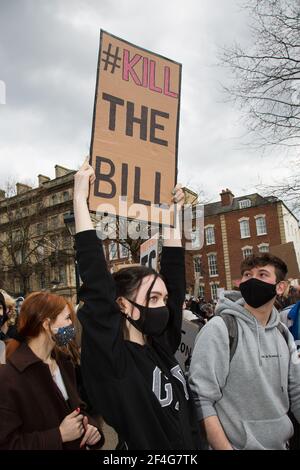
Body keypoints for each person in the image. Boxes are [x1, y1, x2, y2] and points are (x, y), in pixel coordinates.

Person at [73, 159, 201, 450]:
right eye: (152, 299)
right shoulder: (113, 360)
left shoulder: (160, 343)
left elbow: (175, 280)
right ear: (123, 305)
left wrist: (174, 217)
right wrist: (80, 200)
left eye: (164, 300)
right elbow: (95, 281)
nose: (163, 308)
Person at [188, 253, 300, 450]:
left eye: (262, 274)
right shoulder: (220, 329)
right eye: (248, 274)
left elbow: (296, 392)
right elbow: (201, 398)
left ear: (280, 287)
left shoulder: (283, 334)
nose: (253, 280)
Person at [0, 291, 103, 450]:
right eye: (67, 318)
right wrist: (59, 435)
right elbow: (8, 444)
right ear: (47, 324)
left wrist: (90, 427)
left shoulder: (63, 362)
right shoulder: (10, 378)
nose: (71, 326)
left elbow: (77, 409)